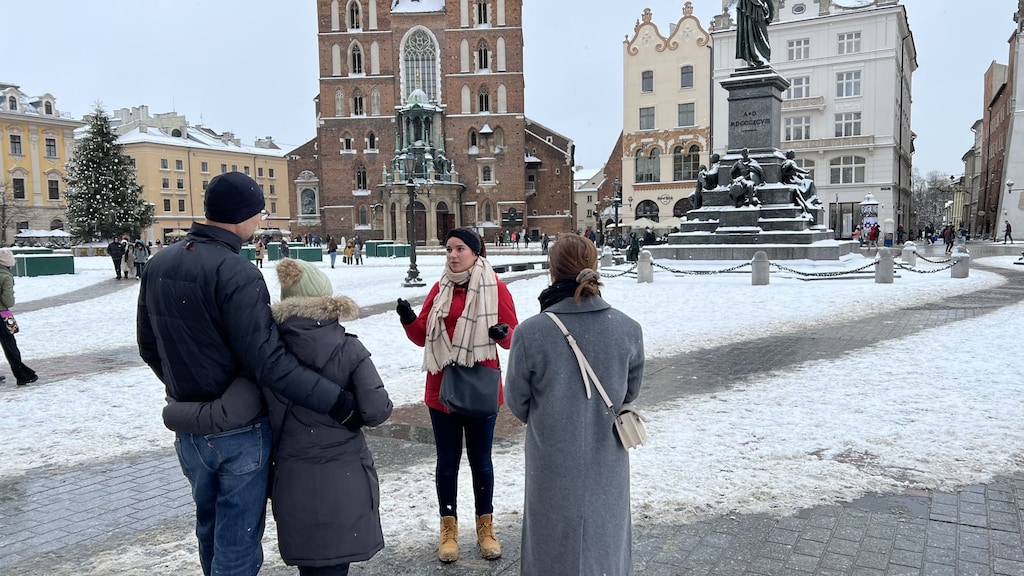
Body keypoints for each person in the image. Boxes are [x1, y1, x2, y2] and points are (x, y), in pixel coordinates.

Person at [137, 171, 360, 576]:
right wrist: (335, 400)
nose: (260, 221)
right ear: (242, 216)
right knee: (238, 542)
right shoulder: (236, 272)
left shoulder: (160, 262)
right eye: (259, 213)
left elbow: (149, 347)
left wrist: (188, 388)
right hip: (238, 430)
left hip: (188, 425)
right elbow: (268, 361)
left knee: (211, 530)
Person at [504, 233, 644, 576]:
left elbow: (517, 400)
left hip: (551, 457)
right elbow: (630, 391)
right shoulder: (628, 328)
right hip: (607, 455)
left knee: (550, 541)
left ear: (552, 272)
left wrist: (552, 414)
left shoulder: (531, 332)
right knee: (605, 538)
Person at [395, 227, 518, 563]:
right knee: (447, 464)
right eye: (448, 248)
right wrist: (408, 320)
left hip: (480, 389)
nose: (452, 254)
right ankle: (448, 529)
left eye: (459, 248)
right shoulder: (440, 288)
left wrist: (502, 332)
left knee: (481, 463)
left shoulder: (496, 288)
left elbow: (513, 339)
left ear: (476, 252)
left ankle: (485, 528)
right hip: (442, 391)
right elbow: (422, 337)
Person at [0, 248, 38, 387]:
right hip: (2, 314)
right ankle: (22, 375)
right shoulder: (6, 276)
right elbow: (8, 301)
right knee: (10, 346)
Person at [735, 0, 775, 68]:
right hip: (749, 14)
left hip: (755, 14)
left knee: (758, 38)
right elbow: (770, 4)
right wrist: (770, 17)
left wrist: (770, 17)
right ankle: (755, 58)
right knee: (751, 37)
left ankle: (760, 58)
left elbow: (770, 3)